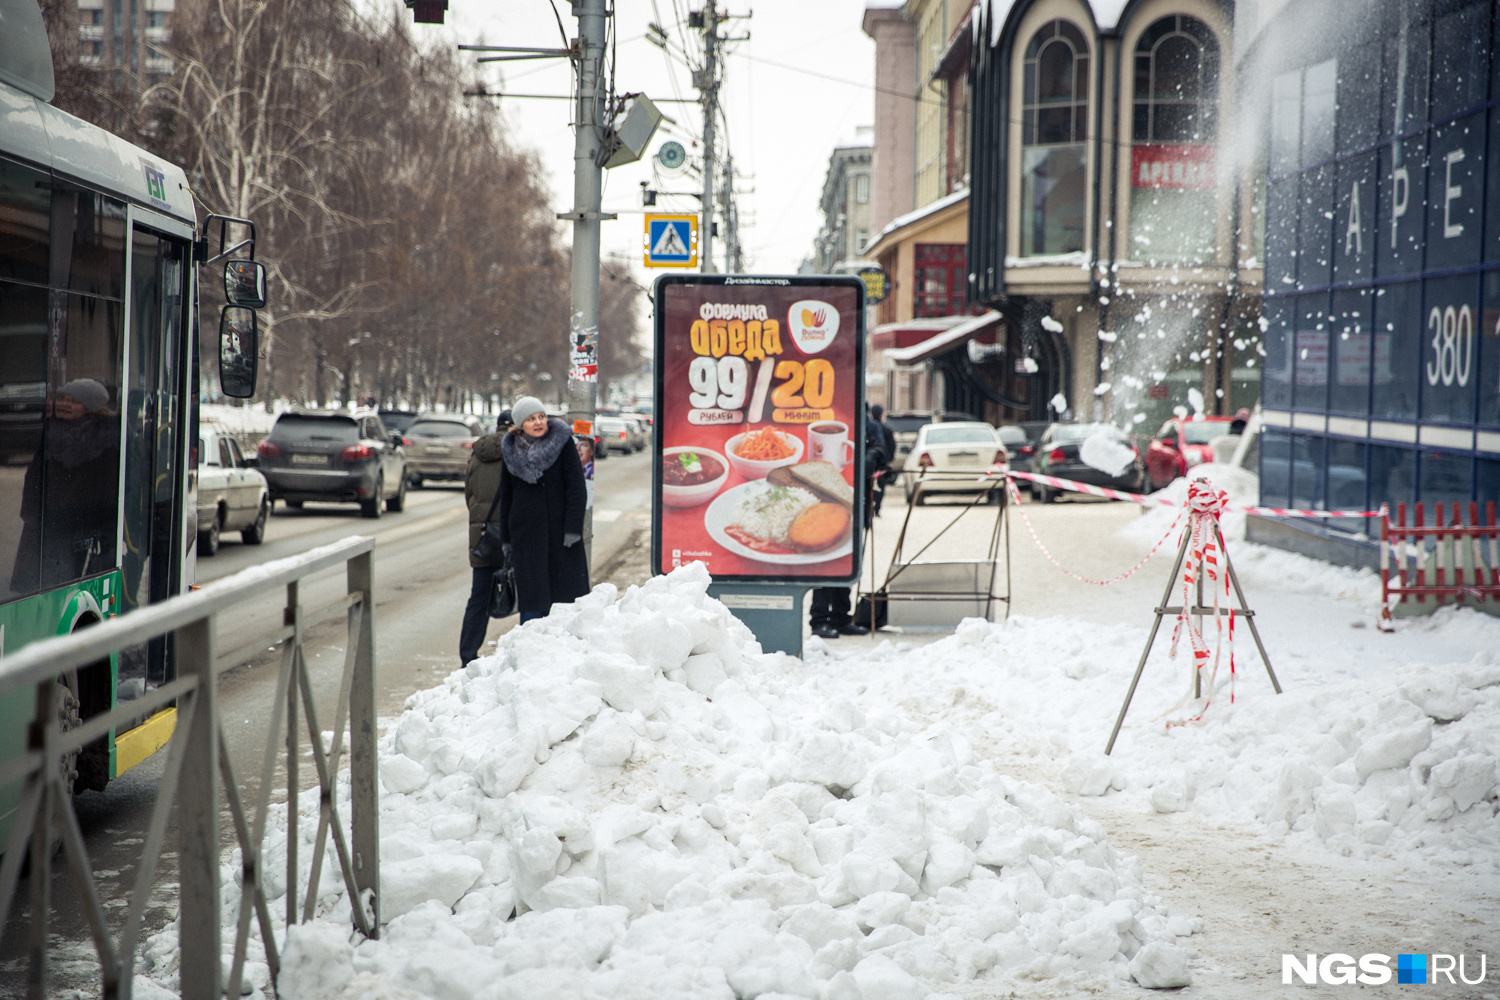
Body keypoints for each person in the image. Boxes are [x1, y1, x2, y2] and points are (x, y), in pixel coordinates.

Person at [498, 397, 589, 624]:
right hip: (526, 536)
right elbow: (506, 496)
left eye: (541, 417)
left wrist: (573, 528)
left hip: (561, 535)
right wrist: (507, 538)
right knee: (532, 602)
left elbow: (577, 488)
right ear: (520, 425)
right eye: (531, 419)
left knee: (565, 600)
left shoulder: (563, 442)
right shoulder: (510, 450)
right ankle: (531, 646)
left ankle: (566, 645)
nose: (538, 422)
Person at [809, 413, 889, 640]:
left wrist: (867, 459)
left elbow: (882, 451)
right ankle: (820, 619)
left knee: (849, 562)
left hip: (856, 503)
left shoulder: (864, 423)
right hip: (826, 502)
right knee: (825, 562)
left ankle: (841, 618)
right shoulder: (823, 417)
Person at [460, 412, 509, 665]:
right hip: (509, 537)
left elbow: (469, 495)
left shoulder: (477, 455)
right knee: (524, 593)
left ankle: (468, 655)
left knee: (478, 598)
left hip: (482, 537)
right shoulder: (515, 452)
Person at [870, 404, 896, 516]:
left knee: (869, 486)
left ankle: (871, 508)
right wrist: (887, 460)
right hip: (880, 465)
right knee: (880, 487)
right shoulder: (886, 430)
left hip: (870, 465)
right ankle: (877, 508)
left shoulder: (868, 428)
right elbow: (892, 447)